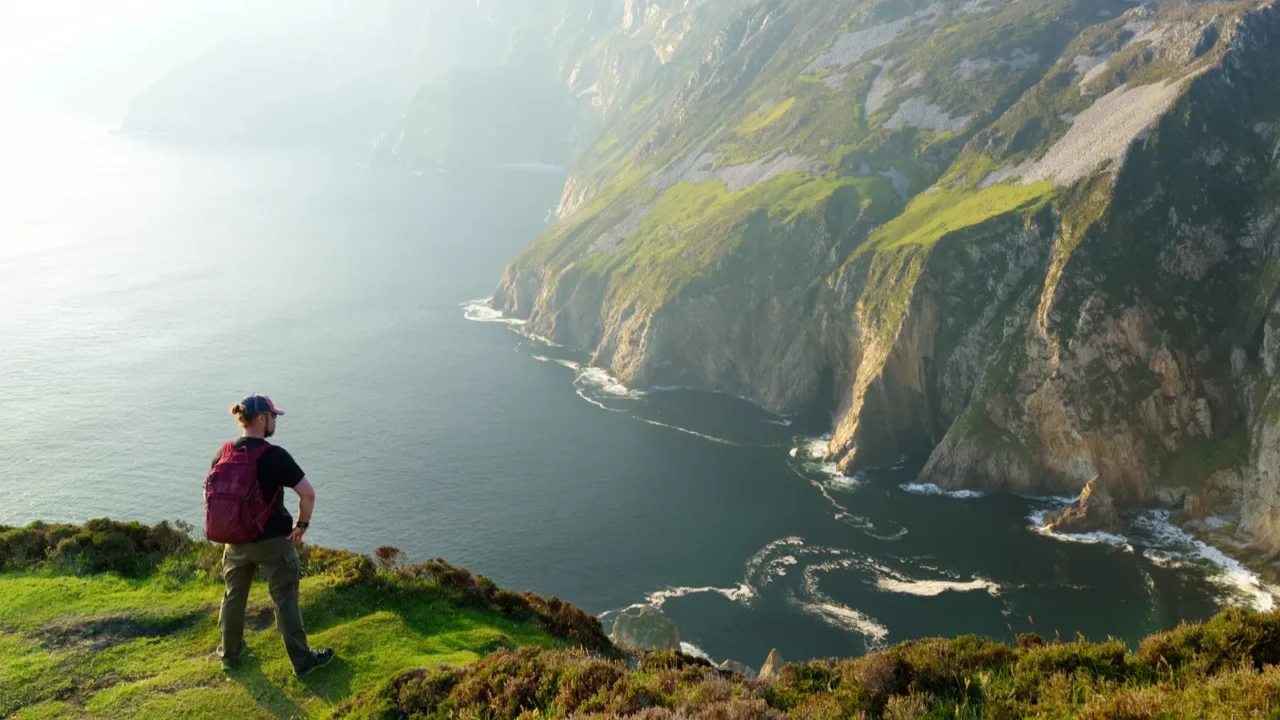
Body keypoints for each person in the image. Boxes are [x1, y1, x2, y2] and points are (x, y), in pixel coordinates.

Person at [210, 393, 335, 677]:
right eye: (273, 416)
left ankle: (229, 654)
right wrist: (301, 527)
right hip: (273, 543)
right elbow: (308, 494)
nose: (275, 421)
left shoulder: (224, 451)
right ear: (262, 419)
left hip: (235, 541)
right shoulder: (274, 455)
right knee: (285, 599)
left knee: (233, 596)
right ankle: (302, 661)